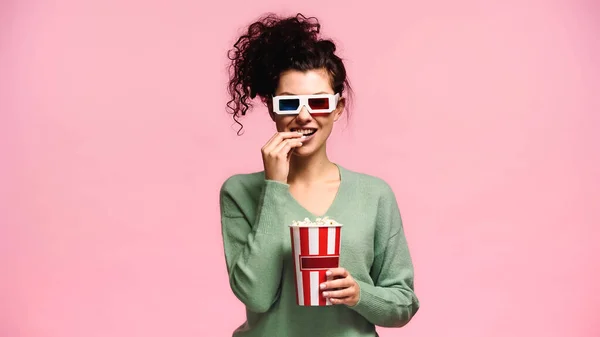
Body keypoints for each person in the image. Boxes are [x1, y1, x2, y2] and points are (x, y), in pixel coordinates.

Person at [219, 12, 419, 337]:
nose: (303, 116)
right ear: (271, 108)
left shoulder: (374, 195)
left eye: (319, 102)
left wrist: (359, 293)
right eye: (288, 104)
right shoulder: (240, 192)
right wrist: (274, 187)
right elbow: (255, 296)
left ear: (338, 108)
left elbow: (403, 304)